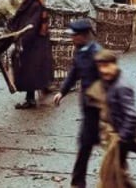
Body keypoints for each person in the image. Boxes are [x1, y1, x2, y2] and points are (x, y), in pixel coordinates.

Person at [52, 19, 103, 188]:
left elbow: (109, 80)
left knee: (98, 146)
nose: (72, 39)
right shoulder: (80, 52)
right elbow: (74, 73)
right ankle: (78, 182)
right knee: (86, 144)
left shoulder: (98, 54)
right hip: (88, 109)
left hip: (99, 110)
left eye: (74, 36)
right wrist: (62, 92)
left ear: (82, 36)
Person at [89, 49, 136, 184]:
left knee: (112, 175)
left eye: (106, 66)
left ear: (115, 65)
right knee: (116, 174)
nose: (103, 70)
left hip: (120, 141)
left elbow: (132, 117)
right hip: (114, 138)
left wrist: (121, 139)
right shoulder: (111, 82)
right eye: (100, 67)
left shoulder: (122, 87)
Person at [7, 0, 52, 109]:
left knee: (29, 70)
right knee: (30, 70)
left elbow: (31, 24)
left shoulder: (34, 4)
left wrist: (21, 40)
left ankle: (30, 100)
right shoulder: (29, 1)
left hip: (33, 43)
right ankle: (33, 95)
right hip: (32, 42)